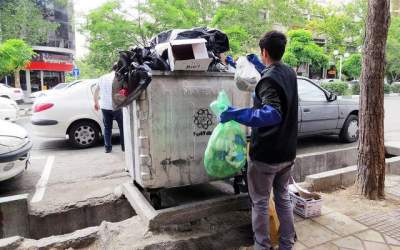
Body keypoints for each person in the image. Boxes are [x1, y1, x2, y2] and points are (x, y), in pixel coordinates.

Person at [220, 31, 298, 250]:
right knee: (282, 198)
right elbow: (276, 86)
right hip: (287, 153)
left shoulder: (268, 79)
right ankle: (286, 245)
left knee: (261, 202)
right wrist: (260, 66)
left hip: (267, 155)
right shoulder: (289, 73)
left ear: (264, 51)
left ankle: (262, 246)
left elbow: (272, 113)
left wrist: (236, 113)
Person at [94, 65, 124, 153]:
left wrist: (96, 103)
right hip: (117, 106)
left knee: (107, 128)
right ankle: (124, 147)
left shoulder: (102, 77)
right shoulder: (119, 77)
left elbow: (96, 91)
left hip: (105, 106)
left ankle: (107, 148)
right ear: (119, 69)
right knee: (122, 127)